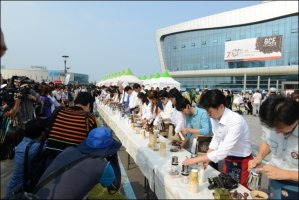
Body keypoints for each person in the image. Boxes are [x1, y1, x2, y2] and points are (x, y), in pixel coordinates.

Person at [183, 89, 252, 187]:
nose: (208, 114)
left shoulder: (235, 121)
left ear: (221, 106)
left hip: (241, 160)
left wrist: (195, 160)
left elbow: (223, 150)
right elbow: (216, 137)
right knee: (224, 187)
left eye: (209, 111)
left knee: (239, 191)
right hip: (228, 158)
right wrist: (208, 155)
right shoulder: (214, 117)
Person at [35, 127, 121, 199]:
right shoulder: (103, 167)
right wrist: (113, 158)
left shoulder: (69, 150)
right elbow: (114, 186)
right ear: (109, 149)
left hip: (37, 195)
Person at [248, 96, 298, 199]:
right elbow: (267, 141)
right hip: (274, 182)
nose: (276, 131)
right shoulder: (271, 124)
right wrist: (259, 157)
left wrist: (286, 174)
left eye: (280, 128)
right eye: (272, 127)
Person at [45, 92, 97, 159]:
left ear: (75, 102)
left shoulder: (59, 111)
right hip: (73, 160)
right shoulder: (89, 117)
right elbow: (94, 141)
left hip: (50, 154)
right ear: (89, 105)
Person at [6, 118, 48, 195]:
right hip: (18, 193)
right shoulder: (35, 148)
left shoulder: (22, 143)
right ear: (42, 133)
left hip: (12, 189)